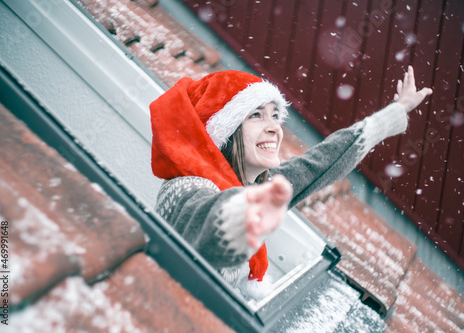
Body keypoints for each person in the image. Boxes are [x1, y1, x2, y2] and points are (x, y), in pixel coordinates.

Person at [151, 66, 432, 286]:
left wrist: (398, 111)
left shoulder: (259, 186)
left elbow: (321, 162)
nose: (274, 127)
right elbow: (203, 222)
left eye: (275, 116)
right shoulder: (184, 189)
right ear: (224, 132)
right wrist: (245, 213)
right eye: (256, 116)